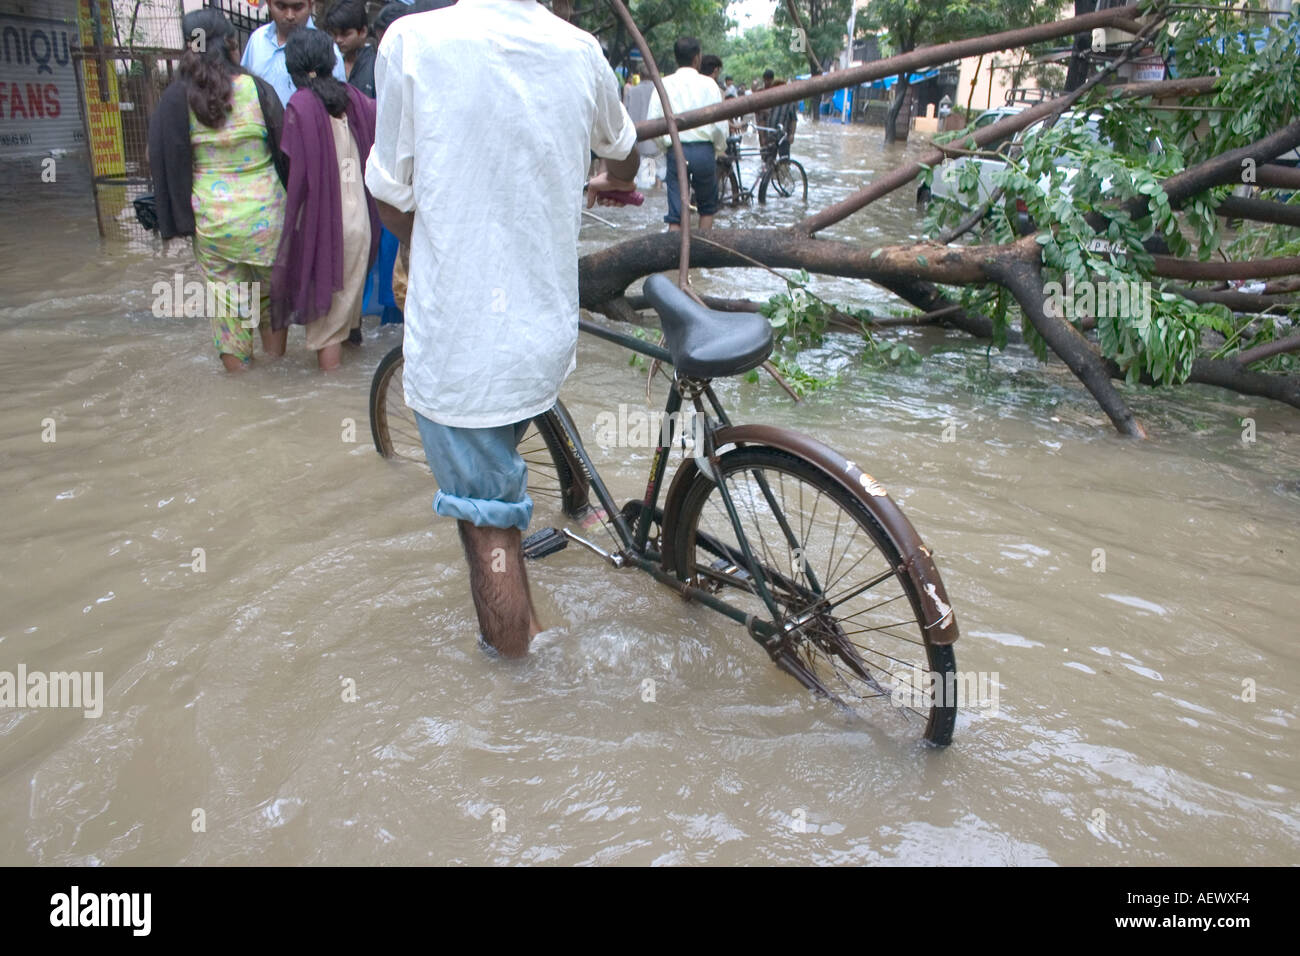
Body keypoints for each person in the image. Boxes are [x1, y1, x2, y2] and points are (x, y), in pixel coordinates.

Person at [364, 0, 639, 659]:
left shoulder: (412, 42)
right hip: (544, 334)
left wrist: (435, 249)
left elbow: (389, 194)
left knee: (489, 530)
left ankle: (521, 691)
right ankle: (578, 516)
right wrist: (596, 180)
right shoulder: (581, 50)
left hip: (463, 343)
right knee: (511, 445)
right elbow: (626, 160)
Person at [148, 9, 287, 372]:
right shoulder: (257, 90)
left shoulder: (177, 98)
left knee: (229, 308)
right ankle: (278, 384)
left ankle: (243, 391)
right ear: (231, 44)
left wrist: (178, 222)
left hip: (214, 224)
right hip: (267, 220)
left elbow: (165, 159)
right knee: (270, 300)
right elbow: (285, 152)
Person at [270, 29, 380, 371]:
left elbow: (291, 167)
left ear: (293, 68)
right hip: (360, 222)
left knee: (326, 329)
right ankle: (351, 398)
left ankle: (329, 404)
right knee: (345, 316)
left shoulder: (300, 105)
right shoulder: (354, 99)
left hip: (327, 226)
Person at [645, 36, 726, 231]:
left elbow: (653, 122)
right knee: (707, 209)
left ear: (676, 58)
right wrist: (717, 149)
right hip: (704, 151)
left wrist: (665, 146)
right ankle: (702, 260)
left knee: (676, 215)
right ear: (697, 58)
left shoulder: (663, 84)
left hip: (676, 150)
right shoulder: (709, 85)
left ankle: (676, 260)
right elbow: (720, 124)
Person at [240, 0, 346, 107]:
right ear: (269, 4)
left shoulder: (327, 51)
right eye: (281, 6)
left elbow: (337, 105)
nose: (290, 16)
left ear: (310, 5)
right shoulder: (257, 39)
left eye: (298, 7)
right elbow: (243, 87)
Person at [325, 0, 376, 99]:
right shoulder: (329, 61)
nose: (338, 40)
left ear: (363, 32)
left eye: (345, 34)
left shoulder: (375, 63)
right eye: (334, 34)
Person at [767, 79, 798, 158]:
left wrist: (792, 134)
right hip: (771, 135)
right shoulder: (771, 100)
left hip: (784, 136)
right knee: (769, 159)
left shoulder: (790, 103)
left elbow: (794, 120)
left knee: (784, 160)